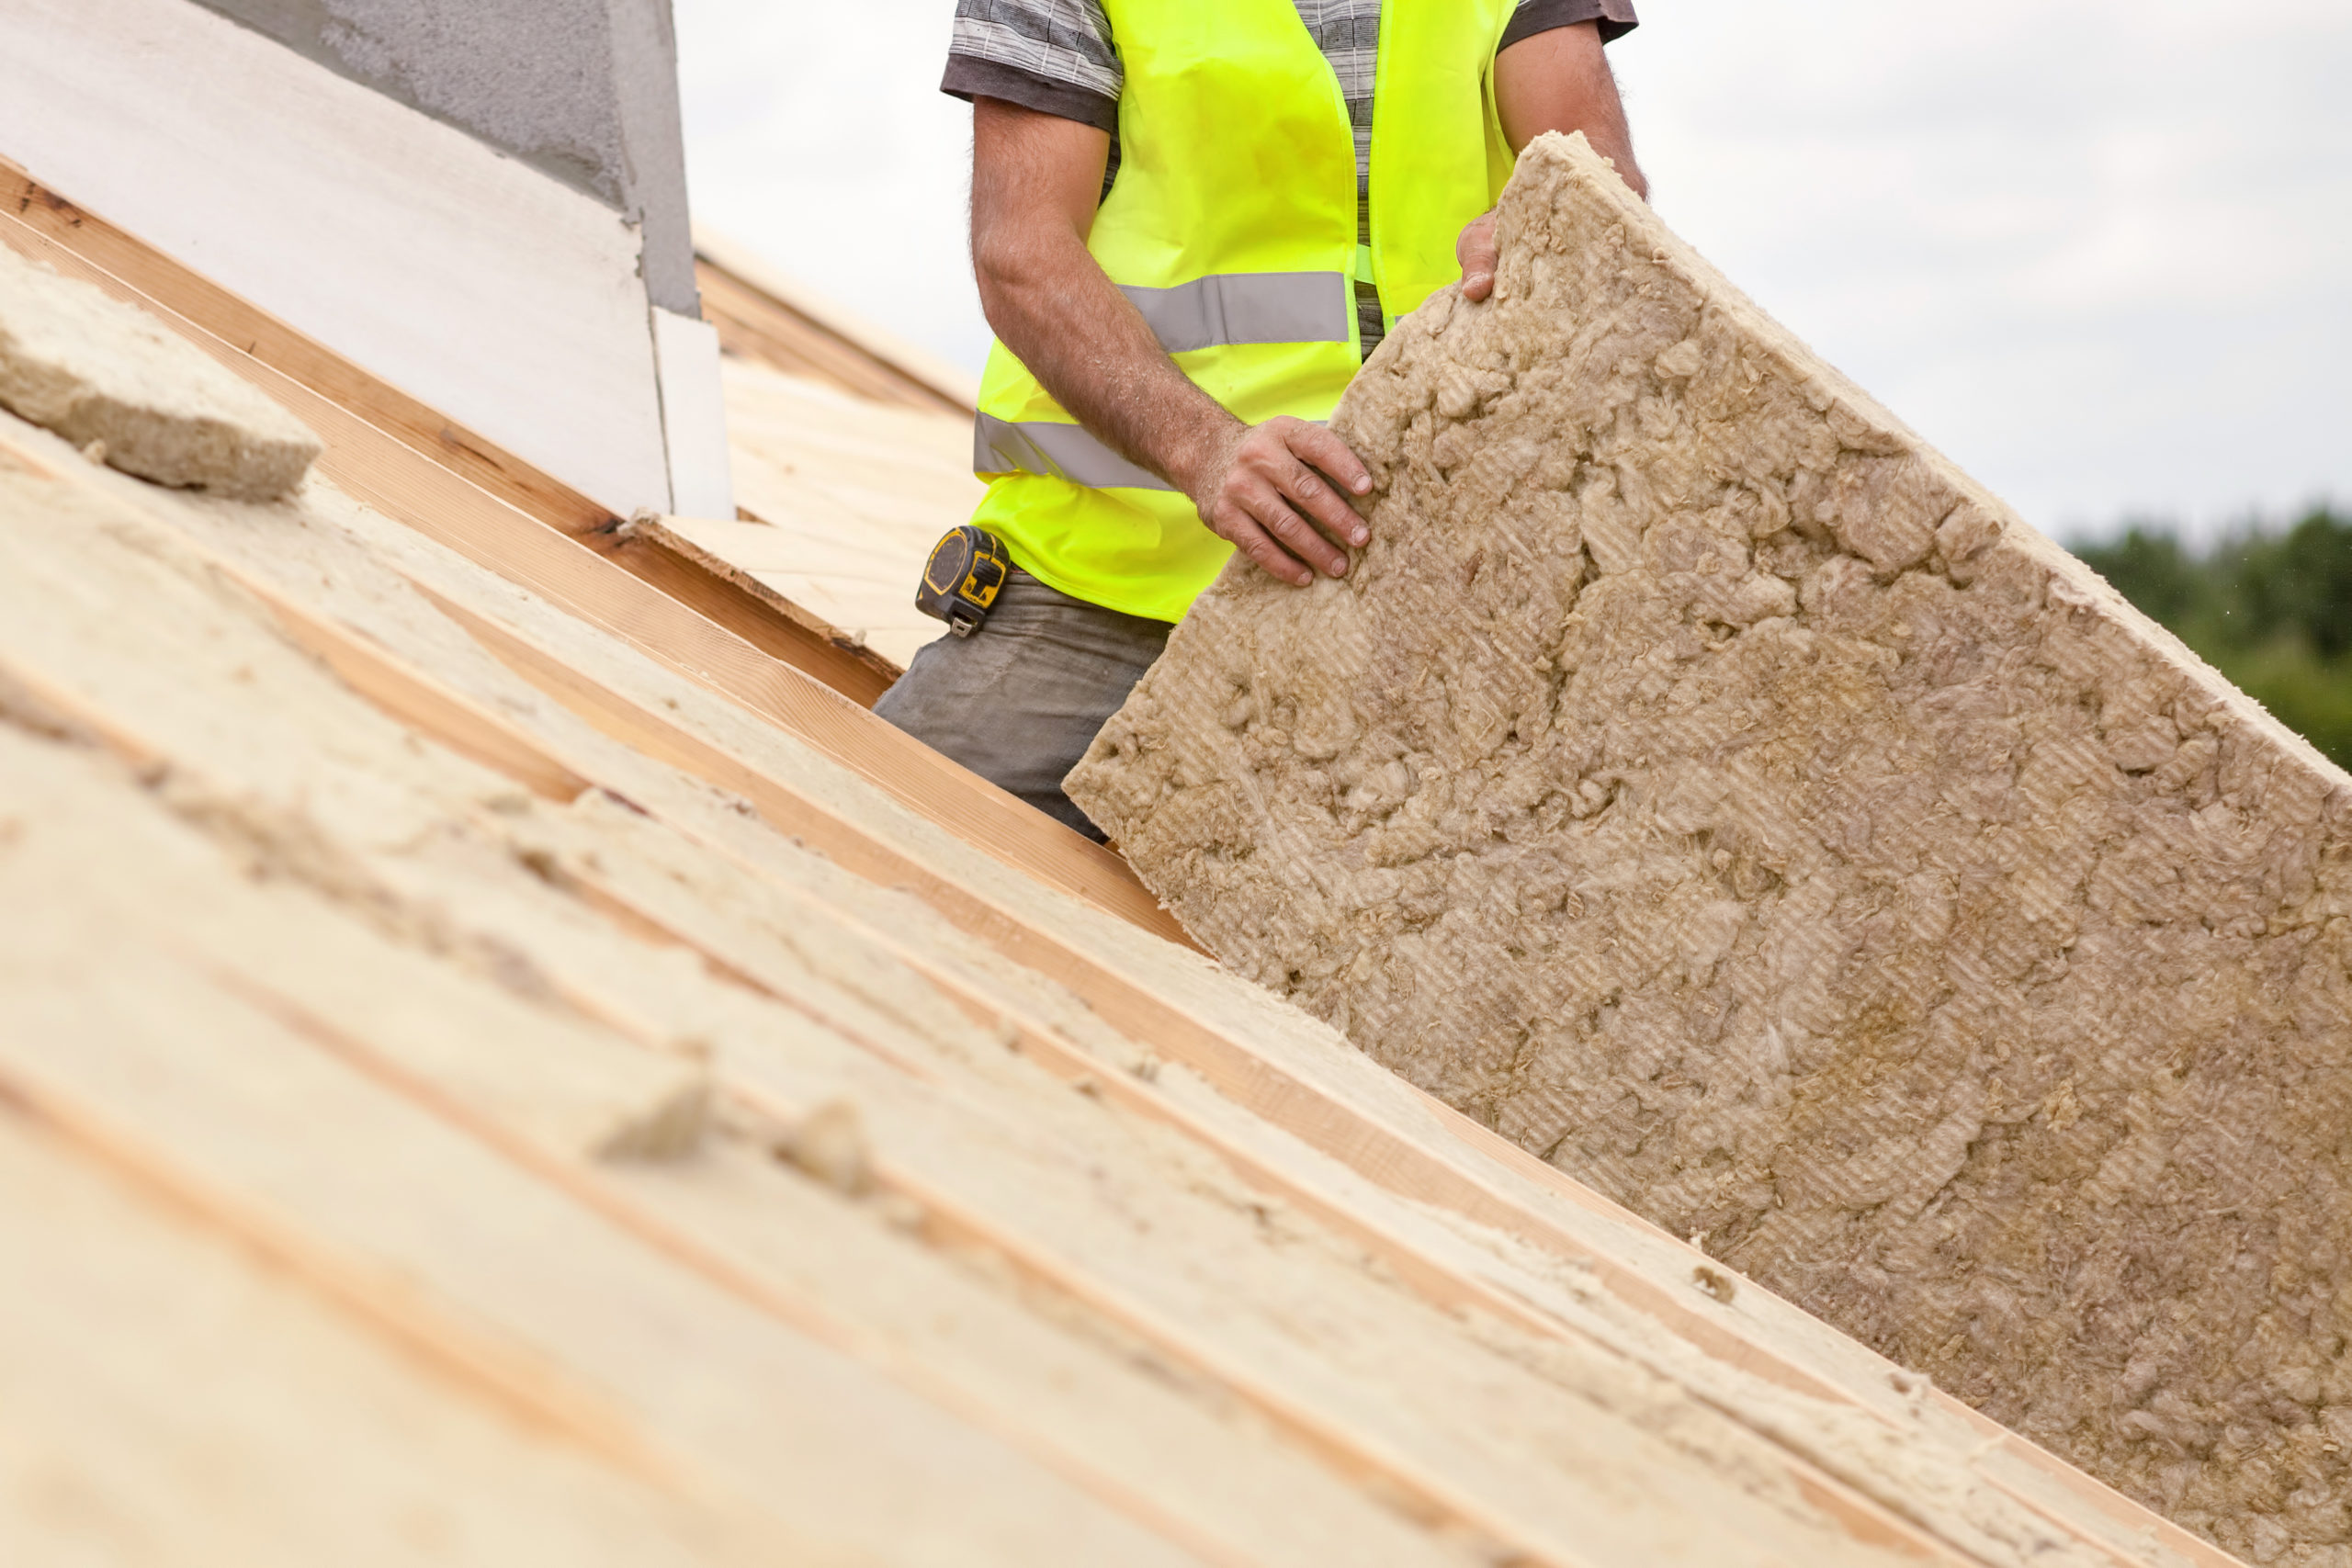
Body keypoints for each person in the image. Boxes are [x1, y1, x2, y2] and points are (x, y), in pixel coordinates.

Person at [875, 0, 1647, 839]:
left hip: (1437, 598)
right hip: (1105, 596)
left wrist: (1552, 219)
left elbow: (1590, 170)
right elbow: (1023, 252)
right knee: (867, 854)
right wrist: (1205, 451)